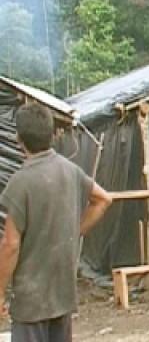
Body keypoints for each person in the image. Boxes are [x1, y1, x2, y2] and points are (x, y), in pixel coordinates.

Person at [0, 104, 112, 341]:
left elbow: (10, 245)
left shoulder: (21, 181)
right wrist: (76, 231)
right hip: (62, 294)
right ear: (52, 135)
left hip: (31, 302)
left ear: (19, 139)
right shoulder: (70, 170)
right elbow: (104, 199)